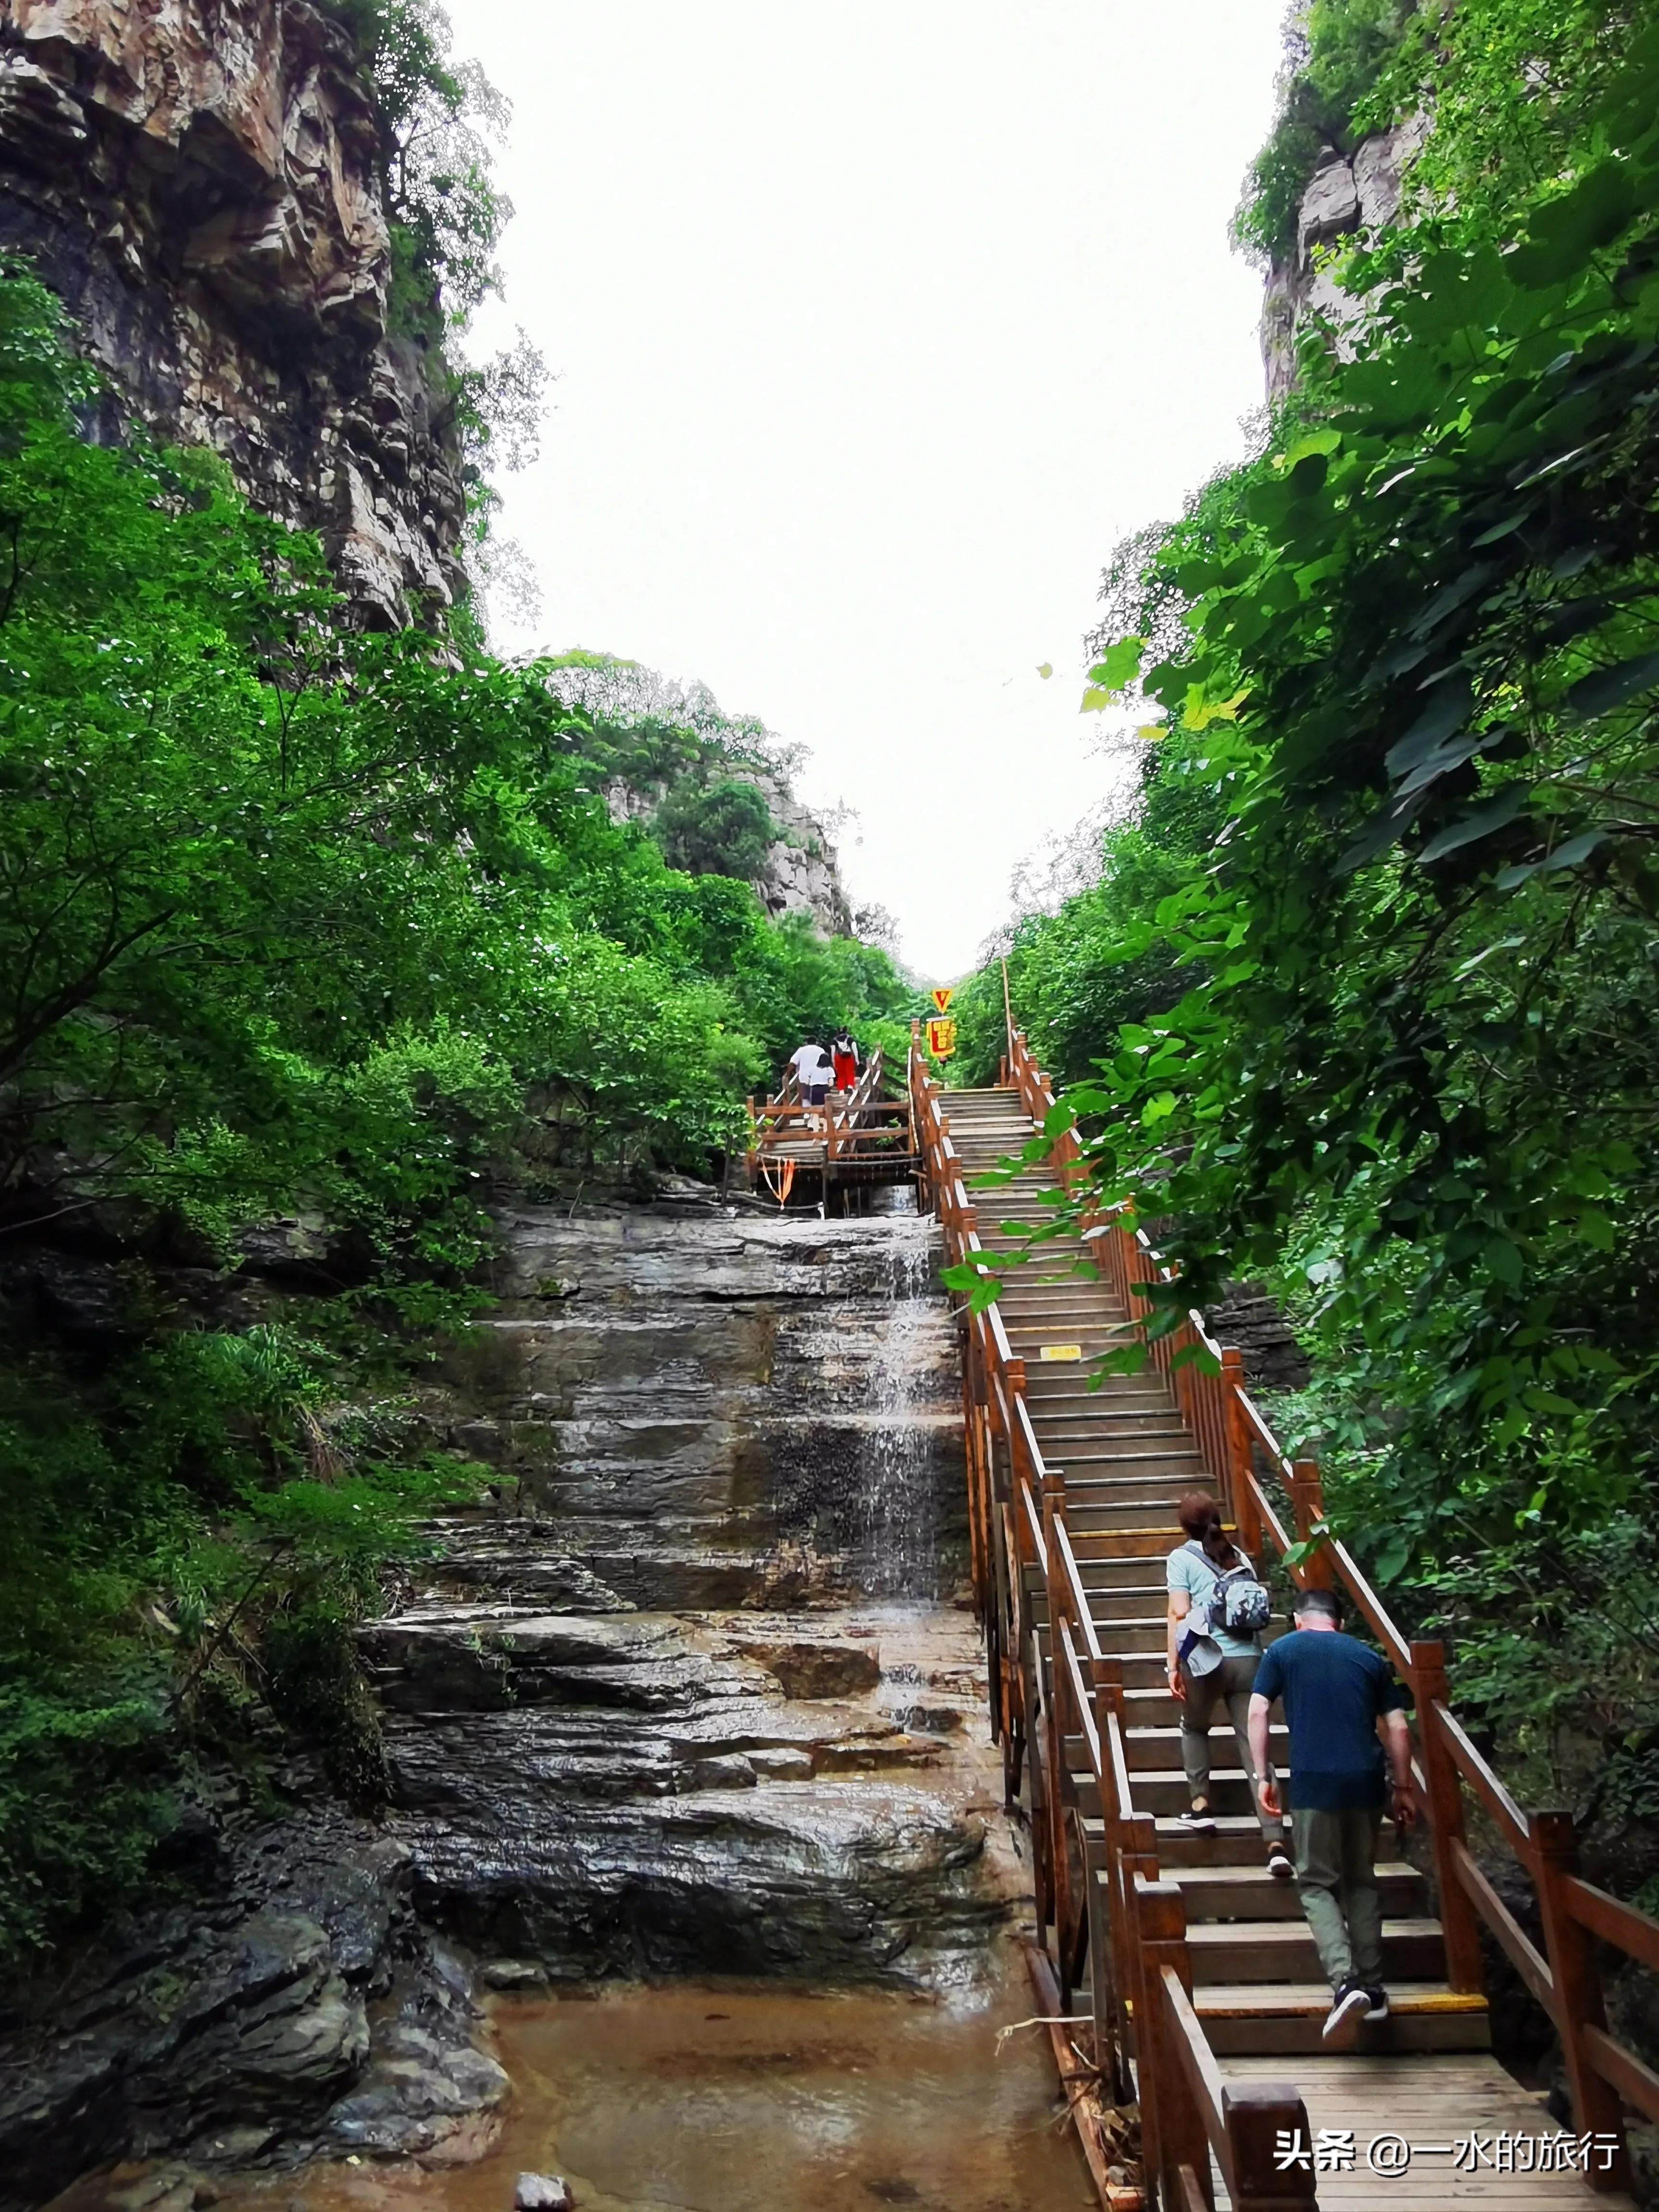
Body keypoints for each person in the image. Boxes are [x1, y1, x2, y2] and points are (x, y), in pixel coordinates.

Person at [1247, 1585, 1417, 2040]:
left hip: (1314, 1783)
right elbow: (1398, 1726)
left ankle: (1345, 1982)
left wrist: (1264, 1775)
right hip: (1366, 1780)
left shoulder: (1282, 1651)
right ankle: (1375, 1988)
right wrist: (1402, 1788)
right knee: (1361, 1878)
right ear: (1339, 1623)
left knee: (1317, 1882)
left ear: (1299, 1619)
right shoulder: (1368, 1658)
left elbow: (1258, 1711)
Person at [1166, 1490, 1292, 1878]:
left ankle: (1201, 1806)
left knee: (1194, 1726)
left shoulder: (1181, 1558)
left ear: (1184, 1526)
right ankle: (1274, 1842)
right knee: (1255, 1748)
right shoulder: (1241, 1560)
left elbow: (1180, 1613)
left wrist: (1172, 1665)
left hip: (1206, 1660)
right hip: (1251, 1661)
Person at [786, 1039, 831, 1122]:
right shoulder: (820, 1050)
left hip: (804, 1077)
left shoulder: (801, 1050)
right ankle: (818, 1118)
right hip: (818, 1078)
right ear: (816, 1042)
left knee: (806, 1097)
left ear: (807, 1043)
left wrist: (787, 1074)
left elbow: (793, 1063)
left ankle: (807, 1115)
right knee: (818, 1100)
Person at [830, 1029, 860, 1094]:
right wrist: (857, 1059)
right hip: (849, 1057)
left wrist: (833, 1061)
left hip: (839, 1058)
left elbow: (833, 1051)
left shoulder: (835, 1040)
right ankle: (850, 1086)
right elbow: (854, 1048)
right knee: (850, 1073)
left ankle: (841, 1090)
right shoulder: (849, 1038)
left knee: (841, 1075)